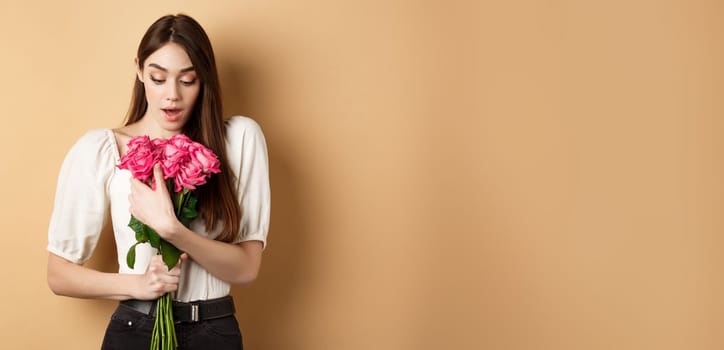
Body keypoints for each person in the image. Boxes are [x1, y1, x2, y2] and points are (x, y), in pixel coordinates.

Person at [46, 13, 270, 350]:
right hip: (136, 327)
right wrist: (137, 285)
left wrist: (172, 230)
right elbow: (58, 274)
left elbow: (246, 270)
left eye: (188, 79)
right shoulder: (101, 150)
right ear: (139, 71)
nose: (172, 96)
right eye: (158, 78)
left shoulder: (239, 140)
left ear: (204, 79)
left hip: (214, 331)